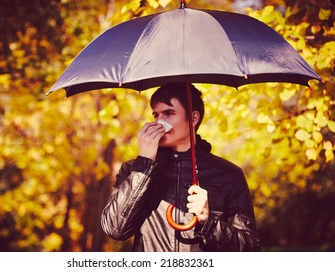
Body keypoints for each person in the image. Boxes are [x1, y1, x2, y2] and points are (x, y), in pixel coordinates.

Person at [101, 83, 260, 252]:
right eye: (156, 115)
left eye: (168, 113)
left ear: (193, 118)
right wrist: (145, 164)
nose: (159, 123)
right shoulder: (134, 170)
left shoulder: (229, 175)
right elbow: (114, 229)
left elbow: (249, 249)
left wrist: (209, 222)